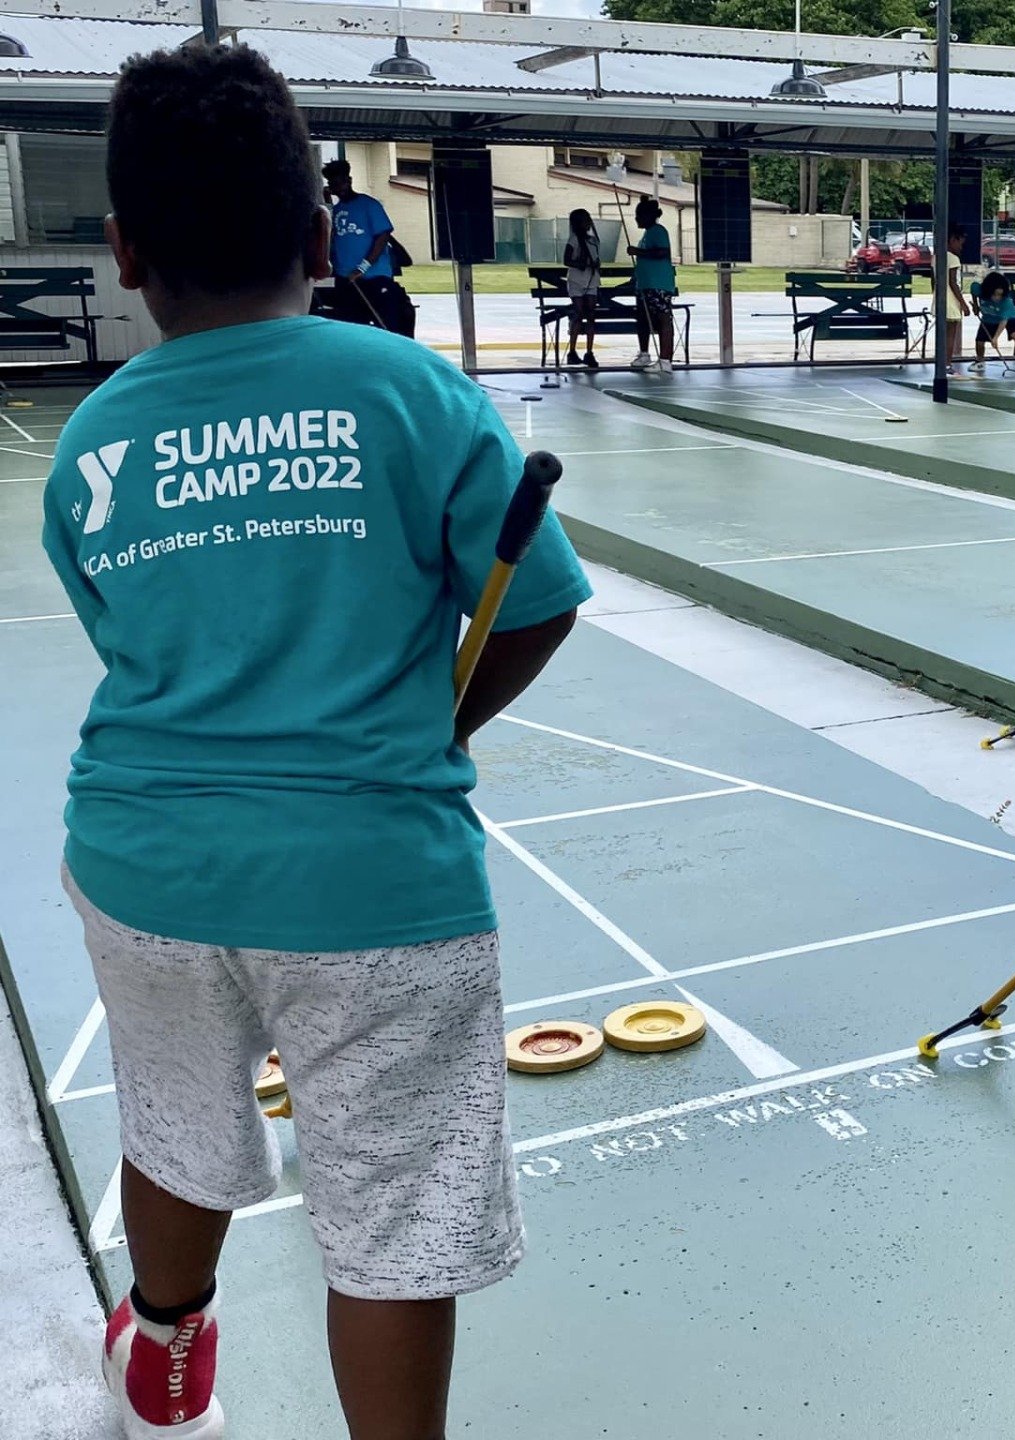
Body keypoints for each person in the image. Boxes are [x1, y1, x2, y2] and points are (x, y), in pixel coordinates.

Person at [43, 44, 591, 1439]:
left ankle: (165, 1372)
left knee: (174, 1121)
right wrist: (434, 721)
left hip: (142, 869)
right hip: (375, 888)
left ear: (122, 251)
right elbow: (536, 605)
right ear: (315, 233)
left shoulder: (92, 440)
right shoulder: (413, 393)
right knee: (397, 1204)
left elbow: (135, 642)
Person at [319, 158, 412, 337]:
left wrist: (363, 267)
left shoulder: (369, 204)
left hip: (374, 278)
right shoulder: (335, 210)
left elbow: (382, 236)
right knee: (352, 329)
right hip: (346, 279)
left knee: (385, 328)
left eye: (341, 182)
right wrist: (328, 204)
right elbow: (328, 238)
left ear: (349, 181)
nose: (339, 187)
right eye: (334, 184)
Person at [628, 196, 676, 372]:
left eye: (639, 215)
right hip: (645, 284)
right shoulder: (647, 234)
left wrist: (637, 251)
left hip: (658, 284)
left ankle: (665, 360)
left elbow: (662, 252)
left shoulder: (658, 231)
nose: (637, 219)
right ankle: (644, 353)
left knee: (663, 319)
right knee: (643, 319)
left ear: (649, 216)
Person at [969, 270, 1015, 376]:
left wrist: (995, 338)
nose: (997, 298)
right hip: (989, 318)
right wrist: (976, 306)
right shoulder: (978, 289)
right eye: (995, 295)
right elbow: (973, 289)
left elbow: (1003, 322)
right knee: (980, 342)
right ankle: (980, 361)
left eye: (1000, 295)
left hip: (1008, 318)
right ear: (988, 290)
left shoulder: (1006, 302)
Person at [563, 207, 601, 369]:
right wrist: (581, 263)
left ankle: (589, 351)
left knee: (591, 315)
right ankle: (572, 351)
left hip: (591, 280)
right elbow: (567, 260)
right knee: (578, 314)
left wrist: (595, 264)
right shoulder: (574, 240)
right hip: (578, 281)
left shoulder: (593, 240)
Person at [940, 222, 972, 376]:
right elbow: (953, 283)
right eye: (960, 243)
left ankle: (943, 363)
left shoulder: (936, 256)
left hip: (939, 299)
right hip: (951, 301)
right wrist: (964, 304)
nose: (961, 247)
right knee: (951, 334)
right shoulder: (953, 258)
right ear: (953, 239)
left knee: (942, 333)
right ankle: (947, 364)